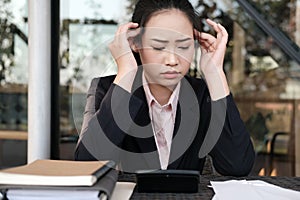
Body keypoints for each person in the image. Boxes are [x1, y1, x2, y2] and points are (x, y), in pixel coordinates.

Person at [75, 0, 255, 176]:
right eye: (159, 46)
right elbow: (87, 165)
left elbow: (237, 166)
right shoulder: (107, 89)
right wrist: (126, 72)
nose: (172, 60)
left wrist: (215, 75)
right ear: (135, 43)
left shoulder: (202, 94)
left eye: (184, 46)